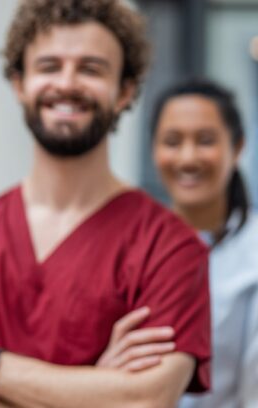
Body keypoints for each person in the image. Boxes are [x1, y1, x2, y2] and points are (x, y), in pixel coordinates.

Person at [0, 0, 213, 406]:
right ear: (19, 83)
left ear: (124, 91)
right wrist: (91, 390)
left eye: (91, 69)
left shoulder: (171, 248)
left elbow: (144, 400)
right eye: (49, 66)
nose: (67, 83)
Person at [150, 79, 258, 408]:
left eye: (206, 140)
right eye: (172, 141)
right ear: (154, 149)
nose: (187, 157)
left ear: (237, 147)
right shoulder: (134, 245)